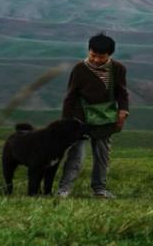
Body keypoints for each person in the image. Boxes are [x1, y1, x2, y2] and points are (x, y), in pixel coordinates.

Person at [57, 33, 130, 198]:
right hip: (79, 118)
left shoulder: (118, 69)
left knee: (102, 155)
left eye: (101, 57)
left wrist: (123, 111)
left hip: (105, 118)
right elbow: (70, 96)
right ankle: (64, 189)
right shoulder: (79, 69)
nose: (96, 60)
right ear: (88, 51)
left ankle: (100, 189)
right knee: (76, 156)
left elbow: (122, 92)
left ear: (110, 54)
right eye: (93, 55)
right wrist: (65, 122)